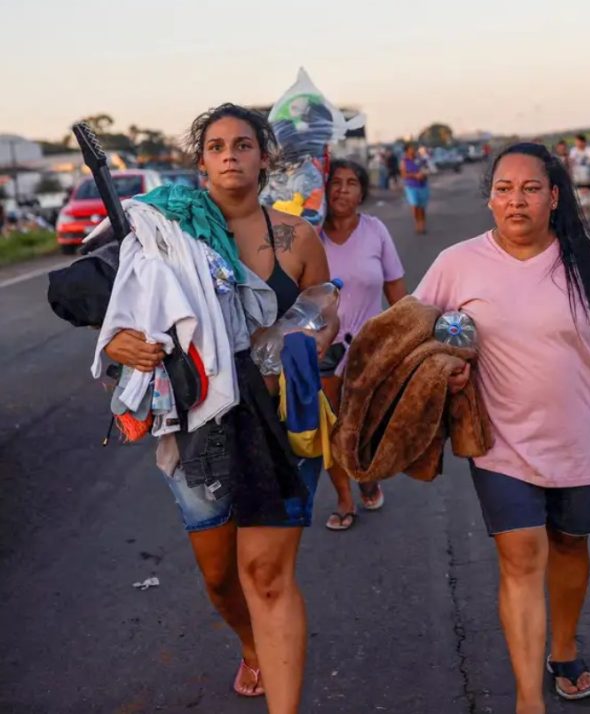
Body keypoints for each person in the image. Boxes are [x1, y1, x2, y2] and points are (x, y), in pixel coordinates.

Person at [413, 142, 590, 714]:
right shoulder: (458, 263)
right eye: (504, 189)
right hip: (499, 443)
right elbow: (413, 335)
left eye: (530, 188)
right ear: (490, 200)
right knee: (522, 557)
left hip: (577, 438)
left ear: (554, 197)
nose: (517, 200)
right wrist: (445, 371)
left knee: (568, 543)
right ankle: (528, 699)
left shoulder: (586, 262)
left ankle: (564, 646)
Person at [103, 103, 334, 712]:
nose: (230, 154)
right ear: (201, 161)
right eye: (216, 146)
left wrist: (307, 349)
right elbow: (106, 301)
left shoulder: (298, 235)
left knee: (265, 574)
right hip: (201, 420)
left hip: (281, 419)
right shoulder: (162, 233)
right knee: (219, 576)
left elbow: (324, 309)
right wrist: (118, 339)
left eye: (243, 144)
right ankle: (250, 644)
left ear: (264, 156)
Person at [318, 158, 408, 530]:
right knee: (331, 427)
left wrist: (407, 341)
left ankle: (367, 473)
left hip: (369, 349)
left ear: (362, 192)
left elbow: (397, 292)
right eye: (335, 182)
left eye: (351, 183)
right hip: (321, 348)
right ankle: (343, 499)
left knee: (365, 425)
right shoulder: (308, 233)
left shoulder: (375, 231)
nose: (342, 189)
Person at [568, 134, 590, 219]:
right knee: (579, 195)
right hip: (578, 176)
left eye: (579, 141)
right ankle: (583, 211)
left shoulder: (589, 150)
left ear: (583, 142)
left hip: (588, 175)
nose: (577, 143)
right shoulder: (573, 151)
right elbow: (571, 161)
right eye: (576, 142)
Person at [402, 143, 430, 234]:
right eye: (411, 149)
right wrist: (414, 175)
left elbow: (427, 169)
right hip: (411, 186)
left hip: (422, 186)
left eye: (413, 149)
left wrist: (423, 174)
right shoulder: (404, 161)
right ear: (406, 151)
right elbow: (404, 174)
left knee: (421, 207)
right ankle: (417, 224)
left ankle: (422, 225)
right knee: (415, 205)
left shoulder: (420, 159)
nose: (413, 151)